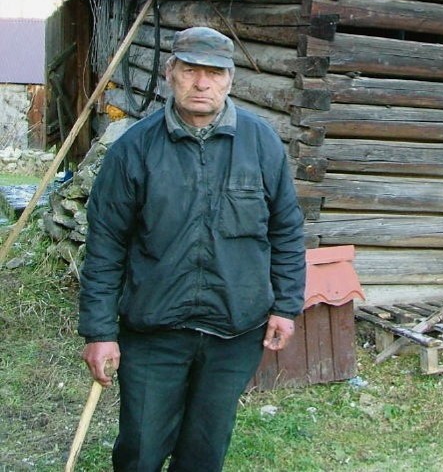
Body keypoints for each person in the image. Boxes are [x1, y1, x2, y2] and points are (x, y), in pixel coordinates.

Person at [79, 26, 306, 472]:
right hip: (154, 333)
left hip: (233, 332)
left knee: (204, 452)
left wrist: (286, 305)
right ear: (170, 73)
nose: (202, 83)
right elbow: (105, 246)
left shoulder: (261, 144)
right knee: (140, 451)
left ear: (229, 79)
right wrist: (100, 332)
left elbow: (286, 230)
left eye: (214, 73)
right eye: (190, 70)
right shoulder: (134, 149)